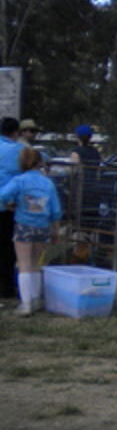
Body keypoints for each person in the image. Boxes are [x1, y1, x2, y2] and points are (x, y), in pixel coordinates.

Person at [0, 146, 62, 316]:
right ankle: (35, 300)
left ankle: (26, 303)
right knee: (35, 264)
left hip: (24, 226)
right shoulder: (47, 182)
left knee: (24, 265)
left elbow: (3, 195)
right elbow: (56, 210)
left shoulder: (19, 180)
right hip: (42, 227)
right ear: (39, 162)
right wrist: (55, 230)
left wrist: (9, 205)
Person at [0, 118, 21, 301]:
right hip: (7, 207)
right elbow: (39, 160)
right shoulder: (17, 150)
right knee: (7, 248)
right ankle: (6, 287)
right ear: (15, 132)